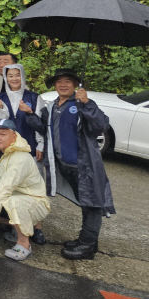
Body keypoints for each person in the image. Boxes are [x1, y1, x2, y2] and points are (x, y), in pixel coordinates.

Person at [37, 68, 115, 260]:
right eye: (59, 81)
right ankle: (85, 239)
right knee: (84, 202)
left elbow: (100, 126)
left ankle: (87, 246)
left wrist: (87, 103)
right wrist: (30, 114)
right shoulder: (55, 105)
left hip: (84, 166)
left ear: (75, 85)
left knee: (92, 204)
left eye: (68, 81)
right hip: (65, 166)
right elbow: (46, 130)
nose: (63, 85)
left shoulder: (82, 104)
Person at [0, 119, 51, 262]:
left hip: (33, 201)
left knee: (12, 202)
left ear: (14, 136)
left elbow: (5, 189)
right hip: (10, 198)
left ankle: (24, 243)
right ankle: (19, 226)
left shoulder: (20, 158)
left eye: (2, 134)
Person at [0, 64, 46, 159]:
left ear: (23, 76)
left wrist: (41, 144)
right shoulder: (0, 98)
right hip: (8, 148)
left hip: (30, 146)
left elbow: (41, 124)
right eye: (10, 76)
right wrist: (0, 107)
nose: (14, 79)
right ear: (6, 78)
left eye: (17, 75)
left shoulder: (34, 97)